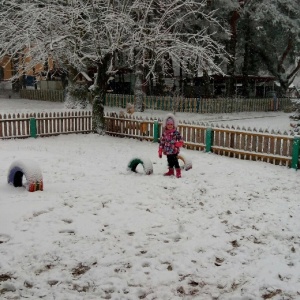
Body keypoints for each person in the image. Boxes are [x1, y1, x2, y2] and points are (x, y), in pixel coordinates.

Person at [158, 113, 184, 178]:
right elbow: (162, 142)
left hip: (174, 150)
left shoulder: (176, 133)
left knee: (175, 161)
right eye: (168, 124)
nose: (170, 126)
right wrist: (160, 151)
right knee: (169, 161)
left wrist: (178, 144)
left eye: (171, 124)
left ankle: (178, 172)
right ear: (166, 125)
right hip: (167, 150)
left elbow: (181, 140)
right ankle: (171, 171)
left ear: (173, 125)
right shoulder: (165, 133)